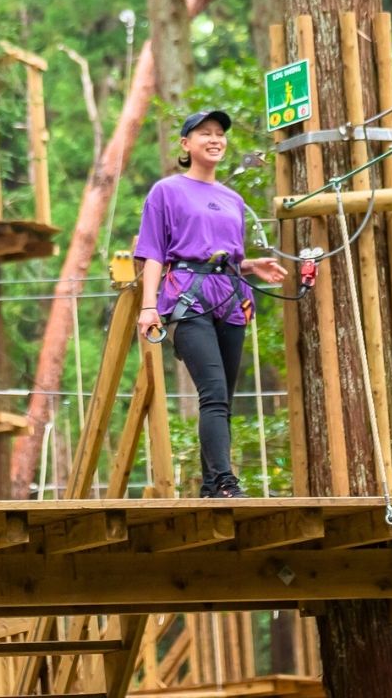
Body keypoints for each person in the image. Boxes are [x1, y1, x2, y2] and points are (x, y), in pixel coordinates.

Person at [134, 110, 287, 499]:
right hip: (187, 298)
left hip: (230, 298)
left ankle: (209, 484)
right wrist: (148, 307)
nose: (215, 139)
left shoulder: (232, 199)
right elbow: (153, 252)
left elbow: (223, 256)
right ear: (186, 144)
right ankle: (225, 481)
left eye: (220, 134)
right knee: (214, 392)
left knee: (223, 399)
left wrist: (252, 265)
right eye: (205, 133)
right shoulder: (166, 191)